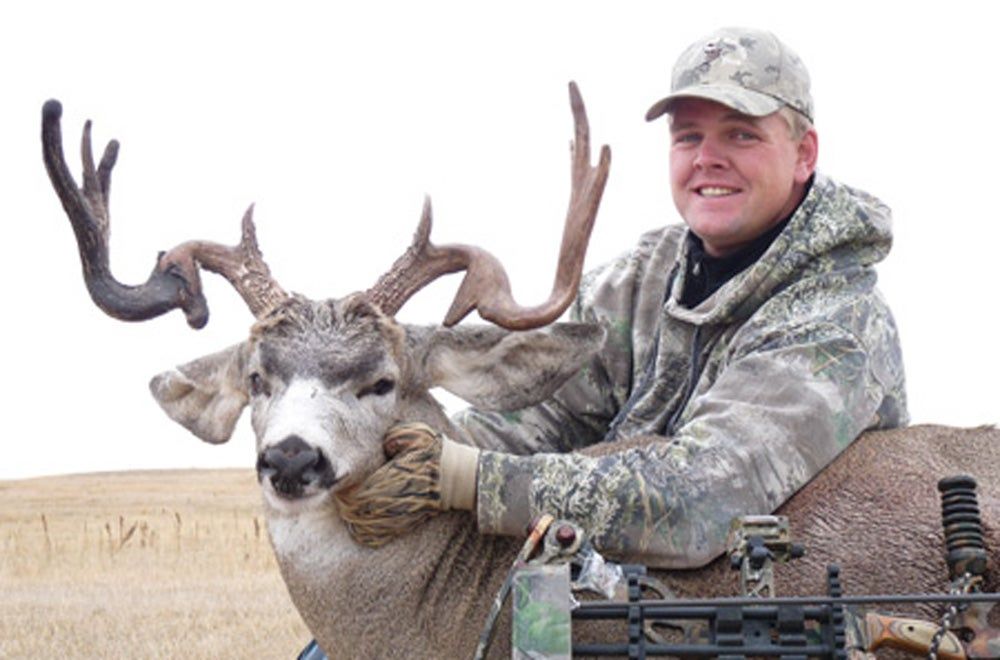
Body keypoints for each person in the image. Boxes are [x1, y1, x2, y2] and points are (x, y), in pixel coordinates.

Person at [340, 26, 908, 570]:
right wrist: (388, 447)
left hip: (784, 607)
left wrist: (466, 479)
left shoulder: (839, 323)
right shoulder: (642, 279)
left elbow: (700, 500)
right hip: (640, 597)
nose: (707, 158)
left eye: (741, 134)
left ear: (804, 153)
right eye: (688, 136)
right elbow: (543, 417)